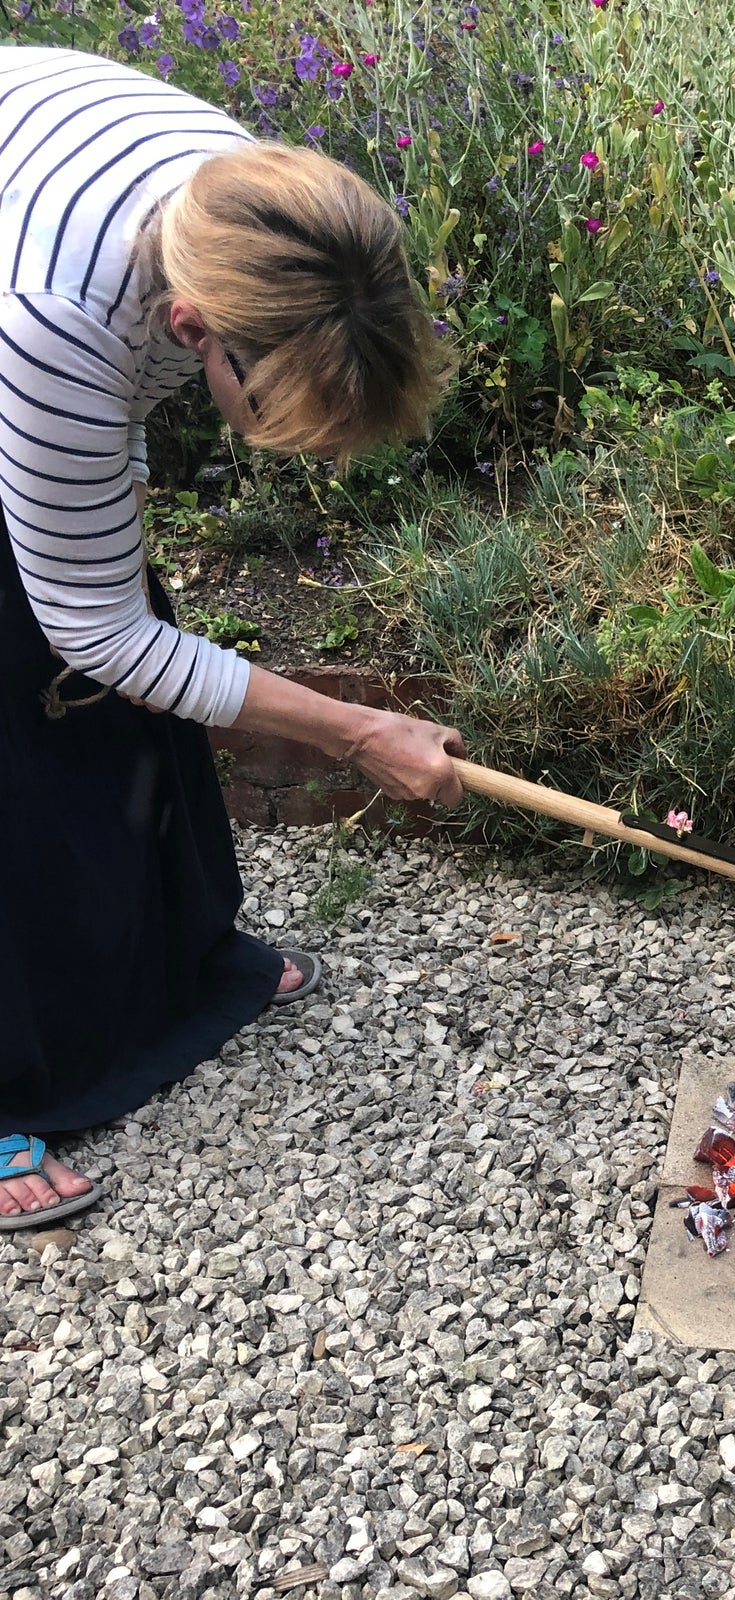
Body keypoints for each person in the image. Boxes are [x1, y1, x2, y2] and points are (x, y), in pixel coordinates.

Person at [0, 45, 466, 1229]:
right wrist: (355, 733)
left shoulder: (261, 209)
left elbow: (116, 426)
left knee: (110, 648)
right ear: (196, 323)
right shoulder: (58, 317)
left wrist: (114, 486)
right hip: (26, 314)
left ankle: (176, 973)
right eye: (282, 420)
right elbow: (98, 634)